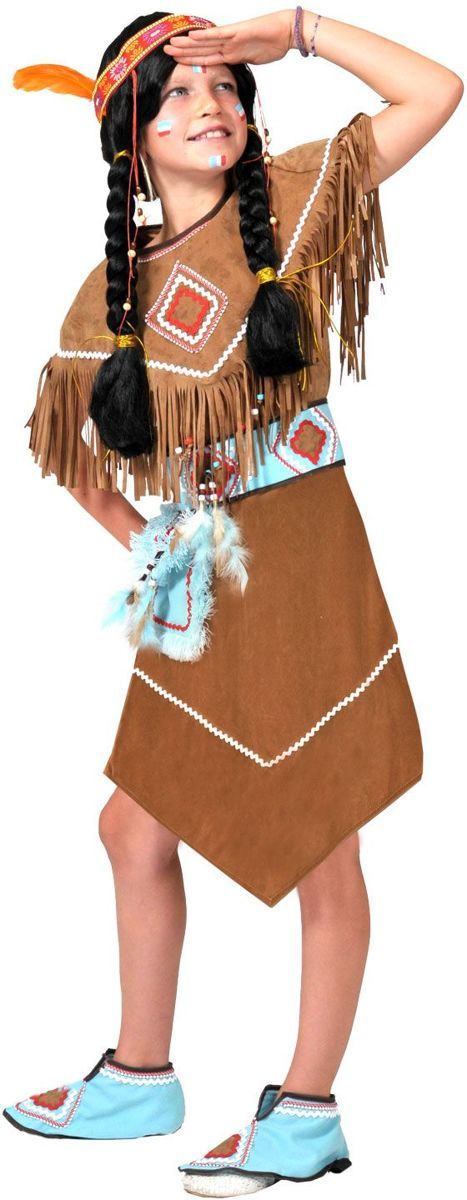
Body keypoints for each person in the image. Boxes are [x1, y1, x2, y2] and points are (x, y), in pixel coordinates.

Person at [4, 7, 463, 1195]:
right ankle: (139, 1079)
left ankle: (305, 1110)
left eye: (221, 89)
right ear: (128, 138)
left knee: (321, 831)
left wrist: (295, 32)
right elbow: (62, 446)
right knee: (132, 826)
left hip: (304, 556)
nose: (209, 108)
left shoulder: (297, 205)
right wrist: (144, 541)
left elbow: (434, 91)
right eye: (174, 95)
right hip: (203, 578)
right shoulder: (109, 298)